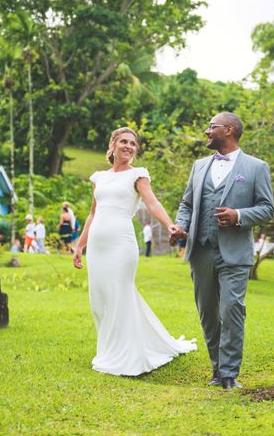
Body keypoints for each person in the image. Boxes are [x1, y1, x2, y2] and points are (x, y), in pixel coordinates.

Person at [74, 127, 196, 376]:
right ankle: (108, 349)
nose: (128, 146)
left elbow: (152, 202)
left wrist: (169, 224)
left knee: (120, 294)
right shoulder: (99, 177)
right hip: (97, 245)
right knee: (101, 298)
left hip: (122, 244)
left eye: (133, 143)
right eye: (124, 142)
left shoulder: (138, 175)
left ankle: (128, 355)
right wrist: (80, 244)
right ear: (113, 145)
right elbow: (93, 213)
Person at [170, 112, 274, 389]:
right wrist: (181, 226)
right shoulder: (199, 166)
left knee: (231, 311)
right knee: (208, 313)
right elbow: (187, 205)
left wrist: (238, 214)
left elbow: (268, 208)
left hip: (235, 253)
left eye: (211, 127)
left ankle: (229, 374)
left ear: (228, 130)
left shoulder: (256, 167)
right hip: (200, 251)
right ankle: (217, 370)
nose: (206, 131)